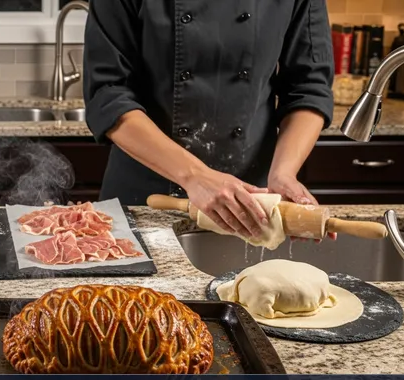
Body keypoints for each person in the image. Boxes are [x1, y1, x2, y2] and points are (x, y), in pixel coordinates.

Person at [83, 0, 337, 241]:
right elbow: (108, 94)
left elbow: (309, 87)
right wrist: (195, 176)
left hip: (251, 203)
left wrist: (284, 173)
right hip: (146, 195)